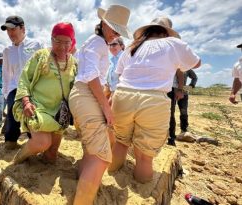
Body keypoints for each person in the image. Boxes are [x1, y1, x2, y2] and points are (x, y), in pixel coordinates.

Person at [109, 17, 201, 183]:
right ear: (166, 32)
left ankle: (111, 174)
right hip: (153, 100)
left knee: (121, 142)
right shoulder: (173, 43)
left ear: (147, 30)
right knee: (144, 156)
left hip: (123, 95)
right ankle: (142, 186)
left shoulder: (132, 46)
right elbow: (197, 63)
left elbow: (121, 72)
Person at [68, 5, 132, 204]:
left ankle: (83, 182)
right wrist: (106, 107)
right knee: (103, 156)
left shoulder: (96, 42)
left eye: (118, 31)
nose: (115, 34)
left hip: (84, 95)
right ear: (103, 23)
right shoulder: (97, 43)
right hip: (87, 94)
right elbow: (92, 77)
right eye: (113, 28)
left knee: (91, 147)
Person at [11, 22, 77, 164]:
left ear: (72, 42)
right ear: (52, 39)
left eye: (67, 42)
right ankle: (19, 158)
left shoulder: (74, 63)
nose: (62, 46)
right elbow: (24, 79)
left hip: (60, 113)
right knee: (42, 142)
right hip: (38, 107)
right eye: (58, 41)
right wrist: (26, 102)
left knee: (52, 155)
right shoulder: (41, 56)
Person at [1, 15, 43, 149]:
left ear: (22, 28)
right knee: (12, 116)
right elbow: (6, 73)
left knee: (33, 114)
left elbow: (44, 65)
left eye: (13, 29)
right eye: (7, 30)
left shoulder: (36, 45)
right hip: (15, 87)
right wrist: (6, 93)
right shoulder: (7, 51)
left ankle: (34, 142)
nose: (10, 33)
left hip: (34, 87)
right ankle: (11, 142)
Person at [167, 69, 198, 146]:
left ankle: (184, 130)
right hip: (170, 91)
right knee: (171, 113)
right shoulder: (171, 65)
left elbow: (195, 77)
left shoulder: (187, 68)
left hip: (183, 92)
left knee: (183, 112)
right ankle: (171, 136)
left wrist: (190, 87)